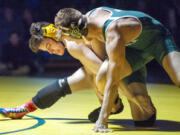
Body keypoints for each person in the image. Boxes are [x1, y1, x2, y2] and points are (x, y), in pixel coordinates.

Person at [1, 6, 180, 132]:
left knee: (141, 106)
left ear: (53, 32)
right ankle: (24, 108)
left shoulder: (73, 44)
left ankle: (115, 105)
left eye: (49, 45)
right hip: (119, 58)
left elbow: (108, 71)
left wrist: (118, 105)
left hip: (122, 60)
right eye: (46, 51)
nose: (52, 52)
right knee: (144, 121)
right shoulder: (75, 33)